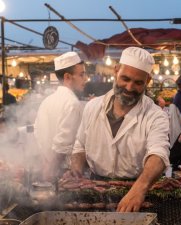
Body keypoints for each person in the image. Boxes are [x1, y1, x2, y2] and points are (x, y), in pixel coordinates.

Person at [66, 47, 170, 212]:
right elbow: (80, 144)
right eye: (125, 79)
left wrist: (140, 188)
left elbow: (159, 154)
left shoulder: (155, 115)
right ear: (116, 71)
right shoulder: (92, 107)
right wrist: (76, 168)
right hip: (95, 190)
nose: (129, 88)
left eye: (138, 82)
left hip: (137, 190)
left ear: (148, 81)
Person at [34, 52, 87, 180]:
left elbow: (37, 132)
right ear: (68, 77)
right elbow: (62, 145)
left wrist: (45, 163)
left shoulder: (47, 100)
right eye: (81, 74)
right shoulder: (72, 104)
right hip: (63, 172)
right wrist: (50, 170)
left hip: (47, 165)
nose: (85, 79)